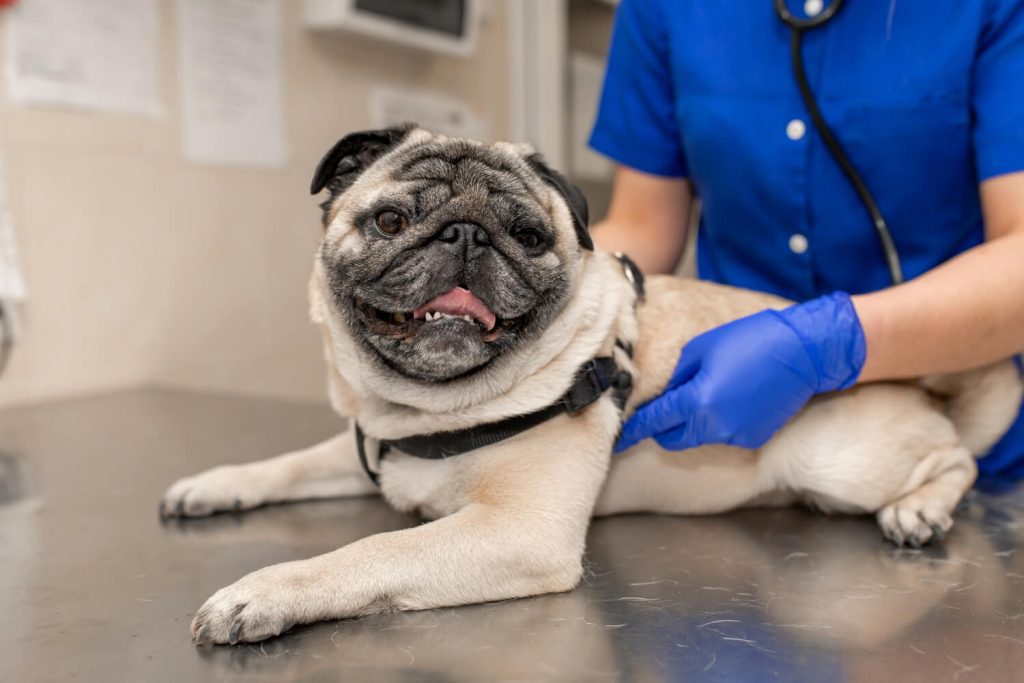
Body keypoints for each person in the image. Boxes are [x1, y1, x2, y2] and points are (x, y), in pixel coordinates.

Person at [588, 0, 1024, 483]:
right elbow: (643, 228)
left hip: (960, 431)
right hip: (730, 444)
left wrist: (828, 345)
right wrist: (535, 277)